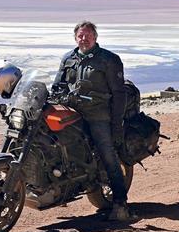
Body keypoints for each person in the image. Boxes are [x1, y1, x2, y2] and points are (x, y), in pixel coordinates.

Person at [53, 21, 135, 221]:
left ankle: (120, 205)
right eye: (80, 35)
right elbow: (57, 85)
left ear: (95, 37)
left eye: (88, 35)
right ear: (75, 38)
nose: (84, 39)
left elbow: (119, 93)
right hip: (71, 111)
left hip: (98, 114)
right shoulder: (68, 58)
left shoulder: (109, 59)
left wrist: (116, 125)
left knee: (108, 155)